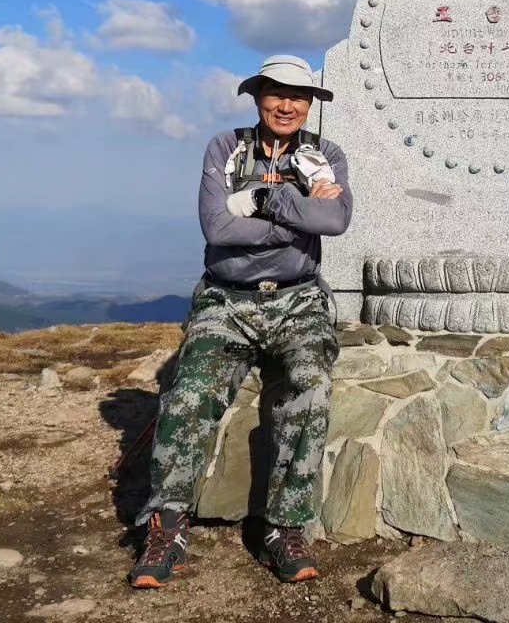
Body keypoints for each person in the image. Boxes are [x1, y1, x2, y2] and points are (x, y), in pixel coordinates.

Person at [128, 54, 351, 590]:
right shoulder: (226, 148)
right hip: (225, 300)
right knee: (191, 388)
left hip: (299, 299)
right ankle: (168, 525)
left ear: (311, 104)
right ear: (257, 96)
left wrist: (260, 200)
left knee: (310, 385)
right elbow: (216, 227)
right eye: (276, 92)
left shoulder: (327, 154)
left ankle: (285, 526)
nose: (287, 104)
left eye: (299, 96)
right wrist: (296, 214)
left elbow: (336, 220)